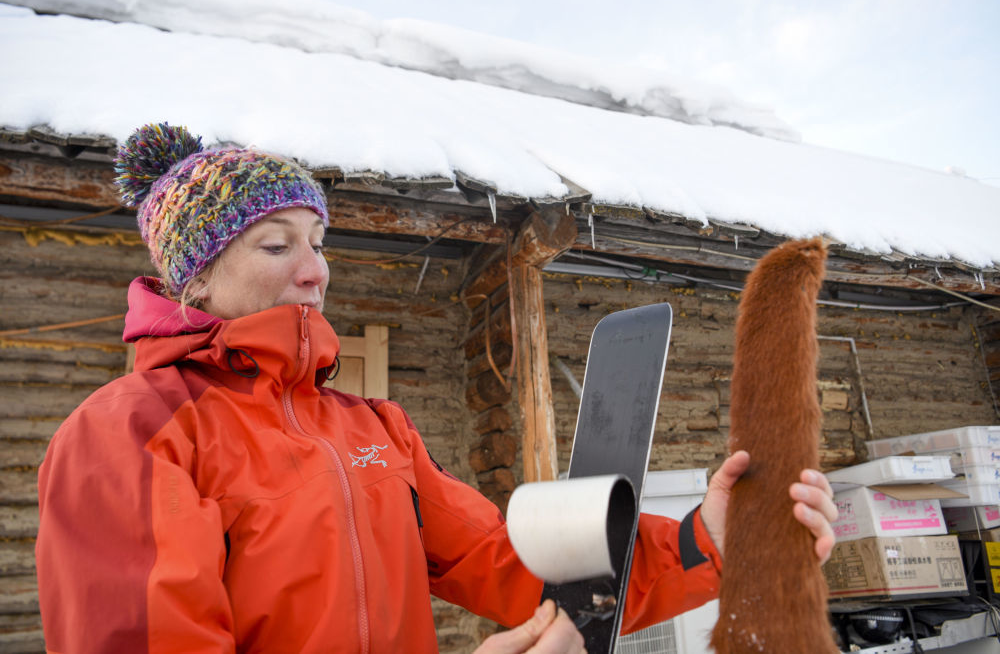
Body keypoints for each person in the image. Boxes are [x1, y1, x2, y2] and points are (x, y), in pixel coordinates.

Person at [35, 123, 837, 654]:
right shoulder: (132, 432)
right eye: (276, 245)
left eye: (319, 242)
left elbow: (513, 563)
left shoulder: (373, 429)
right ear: (197, 277)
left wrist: (706, 542)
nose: (315, 270)